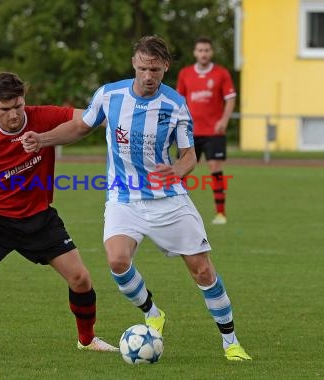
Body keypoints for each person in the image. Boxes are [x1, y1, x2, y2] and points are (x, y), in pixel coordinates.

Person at [22, 36, 251, 361]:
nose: (148, 76)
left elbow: (189, 156)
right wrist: (42, 139)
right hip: (124, 197)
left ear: (165, 67)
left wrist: (176, 170)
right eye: (143, 68)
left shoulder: (175, 106)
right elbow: (79, 128)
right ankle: (152, 312)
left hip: (168, 198)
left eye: (155, 70)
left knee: (202, 270)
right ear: (134, 64)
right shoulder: (109, 95)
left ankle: (231, 342)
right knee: (116, 260)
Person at [0, 72, 117, 352]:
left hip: (38, 217)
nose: (14, 115)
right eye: (5, 109)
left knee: (81, 279)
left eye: (18, 106)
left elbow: (90, 116)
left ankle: (87, 340)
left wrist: (118, 112)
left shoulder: (44, 116)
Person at [176, 36, 237, 225]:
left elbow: (230, 98)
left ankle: (221, 213)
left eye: (206, 50)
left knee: (215, 169)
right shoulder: (186, 73)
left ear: (211, 52)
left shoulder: (221, 73)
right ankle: (177, 210)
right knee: (182, 170)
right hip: (189, 131)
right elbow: (179, 101)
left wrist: (224, 119)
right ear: (195, 52)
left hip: (213, 131)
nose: (203, 53)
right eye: (200, 50)